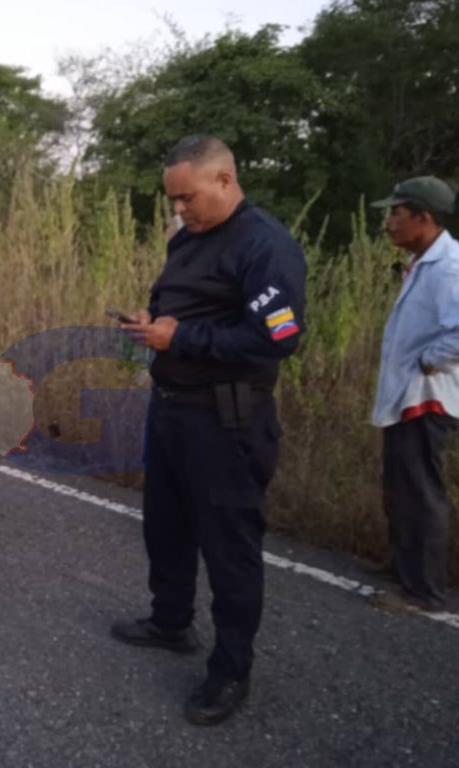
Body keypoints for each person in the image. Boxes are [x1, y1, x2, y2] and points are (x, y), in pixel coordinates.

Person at [112, 135, 307, 725]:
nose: (179, 210)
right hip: (173, 406)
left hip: (227, 419)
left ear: (225, 179)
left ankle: (230, 672)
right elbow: (178, 303)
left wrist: (184, 339)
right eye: (172, 200)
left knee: (229, 548)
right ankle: (171, 621)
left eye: (187, 198)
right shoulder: (189, 239)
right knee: (166, 527)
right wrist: (151, 323)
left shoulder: (265, 246)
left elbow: (281, 337)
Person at [368, 176, 459, 613]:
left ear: (423, 217)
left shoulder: (449, 267)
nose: (389, 223)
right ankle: (404, 566)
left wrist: (429, 359)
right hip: (409, 394)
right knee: (400, 484)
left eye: (396, 213)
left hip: (428, 396)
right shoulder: (423, 261)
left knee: (421, 489)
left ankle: (424, 590)